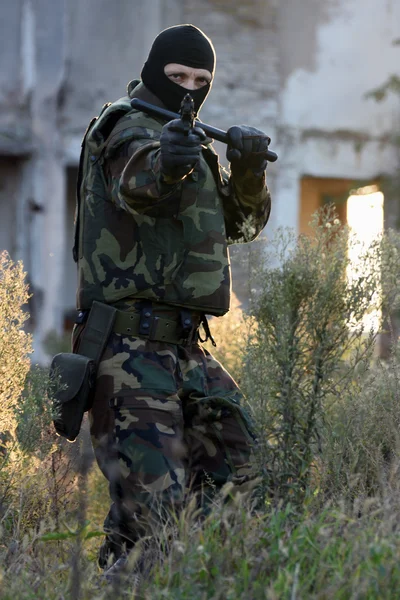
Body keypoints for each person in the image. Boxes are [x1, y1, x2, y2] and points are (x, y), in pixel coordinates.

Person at [73, 23, 272, 575]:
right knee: (152, 519)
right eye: (177, 76)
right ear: (153, 71)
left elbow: (242, 224)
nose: (189, 88)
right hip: (128, 350)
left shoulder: (191, 138)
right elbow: (140, 183)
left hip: (186, 349)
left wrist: (249, 172)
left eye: (201, 80)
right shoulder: (126, 128)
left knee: (243, 479)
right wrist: (172, 161)